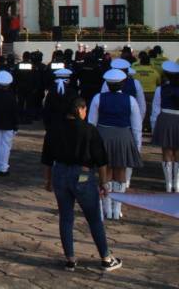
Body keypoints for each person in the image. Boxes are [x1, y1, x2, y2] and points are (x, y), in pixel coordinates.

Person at [41, 98, 123, 272]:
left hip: (60, 173)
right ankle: (106, 258)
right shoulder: (88, 130)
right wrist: (103, 182)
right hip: (83, 175)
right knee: (94, 218)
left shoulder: (54, 129)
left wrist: (48, 181)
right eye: (84, 109)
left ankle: (70, 259)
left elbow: (47, 159)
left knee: (66, 217)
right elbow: (101, 160)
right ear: (79, 109)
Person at [88, 69, 142, 220]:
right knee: (121, 172)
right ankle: (116, 210)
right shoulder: (131, 100)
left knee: (105, 172)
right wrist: (137, 147)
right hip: (123, 136)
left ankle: (106, 209)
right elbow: (137, 127)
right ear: (123, 84)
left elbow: (91, 123)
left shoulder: (98, 98)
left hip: (103, 136)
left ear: (107, 84)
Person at [151, 61, 179, 192]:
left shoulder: (160, 89)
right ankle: (177, 184)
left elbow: (156, 110)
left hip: (165, 119)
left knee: (166, 152)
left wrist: (154, 126)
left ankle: (168, 184)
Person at [133, 51, 161, 133]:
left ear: (140, 61)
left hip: (138, 93)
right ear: (149, 62)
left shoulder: (134, 70)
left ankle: (139, 125)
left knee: (138, 110)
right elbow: (158, 82)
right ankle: (148, 126)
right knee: (150, 111)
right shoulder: (154, 71)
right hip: (151, 93)